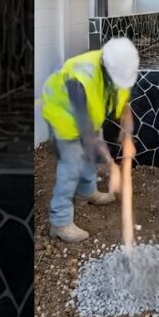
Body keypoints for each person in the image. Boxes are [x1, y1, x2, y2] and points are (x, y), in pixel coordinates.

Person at [41, 37, 139, 243]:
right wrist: (111, 164)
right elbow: (87, 133)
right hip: (63, 114)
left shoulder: (118, 69)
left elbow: (125, 105)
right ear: (106, 67)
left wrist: (128, 135)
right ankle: (60, 222)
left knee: (89, 157)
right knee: (71, 165)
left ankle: (87, 192)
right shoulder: (81, 77)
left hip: (87, 116)